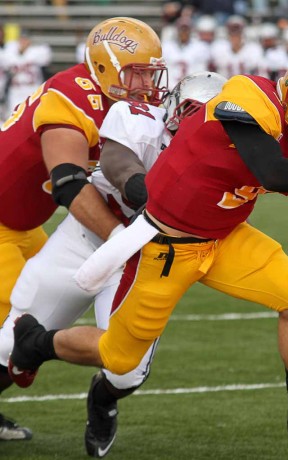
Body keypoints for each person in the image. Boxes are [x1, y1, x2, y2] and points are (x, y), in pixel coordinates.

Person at [8, 52, 288, 452]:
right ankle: (37, 344)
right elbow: (274, 171)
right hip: (167, 245)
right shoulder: (248, 98)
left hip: (225, 236)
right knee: (120, 358)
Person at [0, 71, 226, 456]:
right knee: (6, 345)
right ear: (173, 106)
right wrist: (163, 198)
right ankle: (29, 349)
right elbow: (121, 166)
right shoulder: (137, 120)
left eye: (210, 122)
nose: (195, 128)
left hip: (145, 262)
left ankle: (102, 401)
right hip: (89, 237)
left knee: (127, 369)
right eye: (191, 113)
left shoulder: (228, 161)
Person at [0, 15, 167, 445]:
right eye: (138, 72)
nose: (147, 83)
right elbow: (69, 182)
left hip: (21, 223)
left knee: (16, 340)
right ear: (108, 67)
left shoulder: (121, 103)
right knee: (8, 330)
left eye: (151, 72)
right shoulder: (71, 97)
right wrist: (120, 240)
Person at [3, 31, 52, 115]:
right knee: (14, 116)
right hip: (16, 89)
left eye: (25, 39)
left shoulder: (36, 52)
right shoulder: (10, 53)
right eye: (21, 39)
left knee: (32, 114)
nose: (23, 42)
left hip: (32, 88)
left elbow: (46, 57)